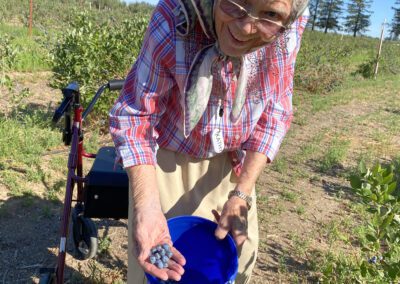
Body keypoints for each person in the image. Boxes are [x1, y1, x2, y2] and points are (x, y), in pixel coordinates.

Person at [109, 0, 309, 282]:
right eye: (236, 4)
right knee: (157, 261)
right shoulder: (173, 17)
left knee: (236, 262)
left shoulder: (290, 23)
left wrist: (241, 194)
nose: (246, 27)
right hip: (167, 158)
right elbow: (136, 117)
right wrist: (147, 205)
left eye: (270, 14)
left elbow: (275, 111)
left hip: (232, 161)